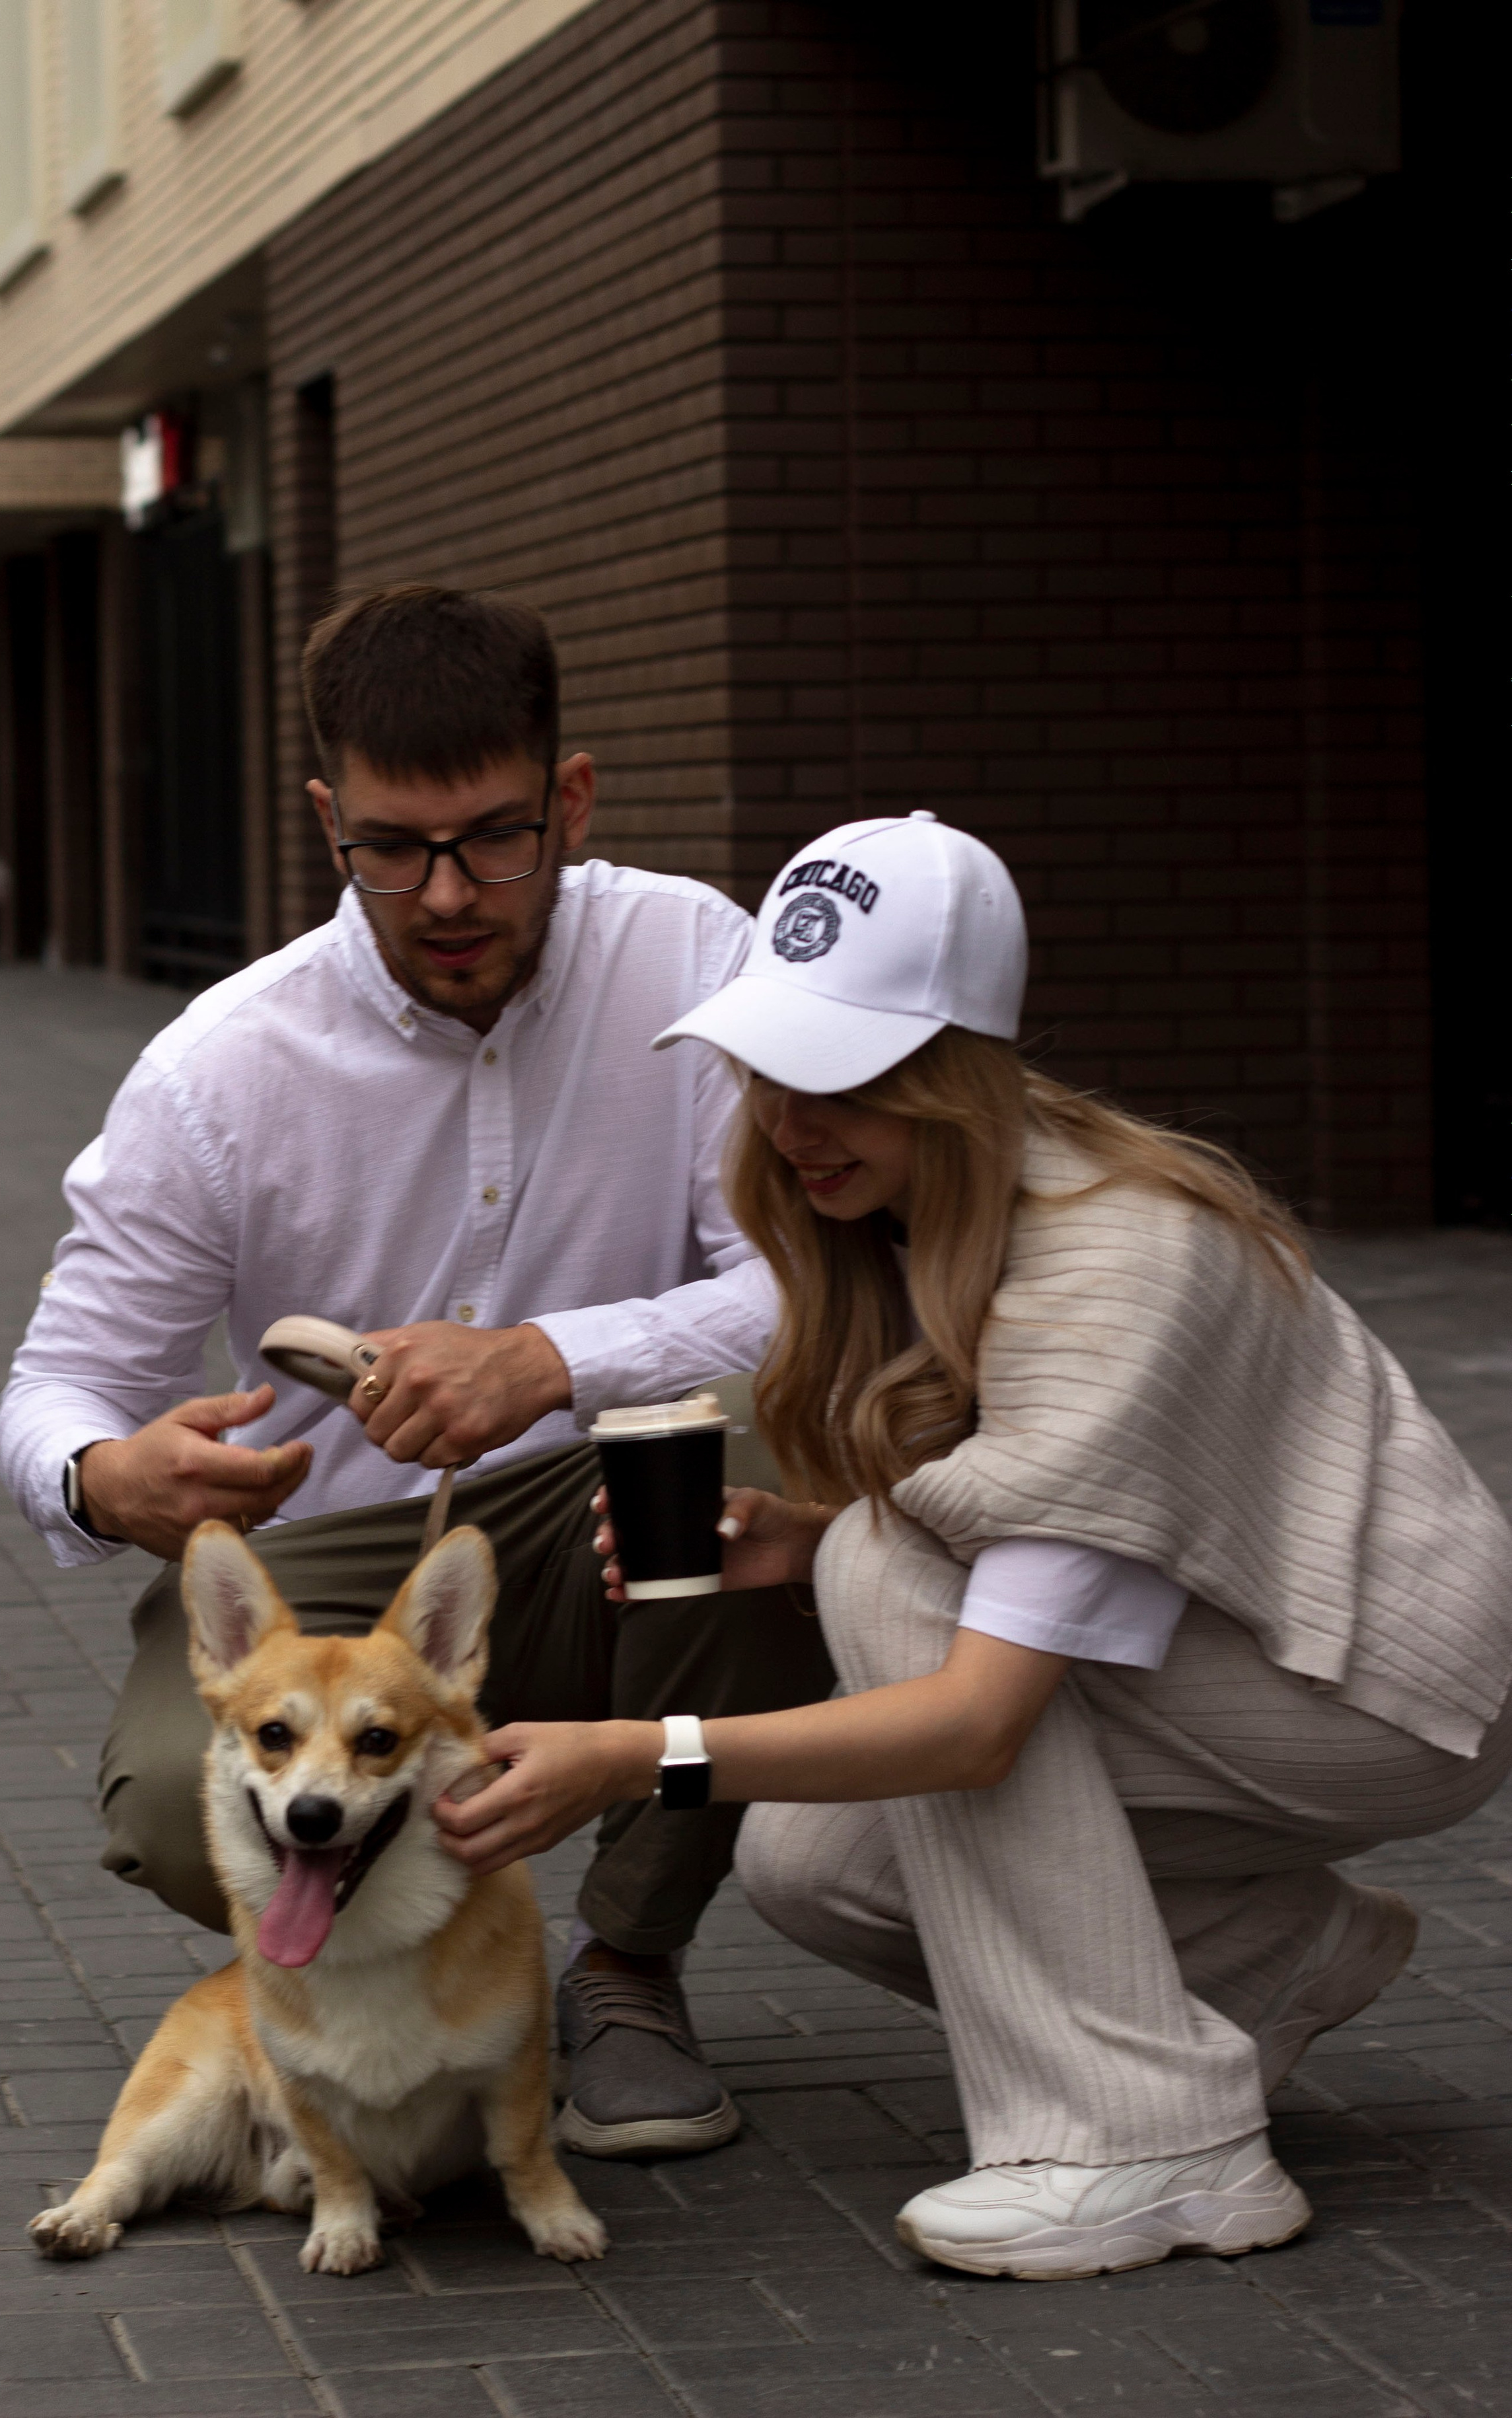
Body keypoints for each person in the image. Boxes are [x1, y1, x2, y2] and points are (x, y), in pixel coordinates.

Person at [433, 810, 1512, 2278]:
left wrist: (634, 1753)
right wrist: (800, 1539)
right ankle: (1273, 1964)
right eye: (771, 1065)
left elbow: (978, 1720)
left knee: (887, 1582)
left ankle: (1147, 2143)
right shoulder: (918, 1204)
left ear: (952, 1072)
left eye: (846, 1076)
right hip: (1244, 1648)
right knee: (814, 1859)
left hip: (1380, 1691)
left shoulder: (1112, 1264)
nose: (790, 1120)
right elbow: (1023, 1551)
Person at [0, 585, 834, 2160]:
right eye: (390, 845)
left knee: (742, 1523)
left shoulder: (695, 960)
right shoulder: (221, 1064)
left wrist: (553, 1357)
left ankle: (625, 1964)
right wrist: (105, 1475)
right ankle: (395, 1976)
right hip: (336, 1571)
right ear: (326, 816)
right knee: (173, 1791)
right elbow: (53, 1387)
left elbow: (803, 1287)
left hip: (597, 1515)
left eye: (495, 839)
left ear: (569, 796)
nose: (446, 893)